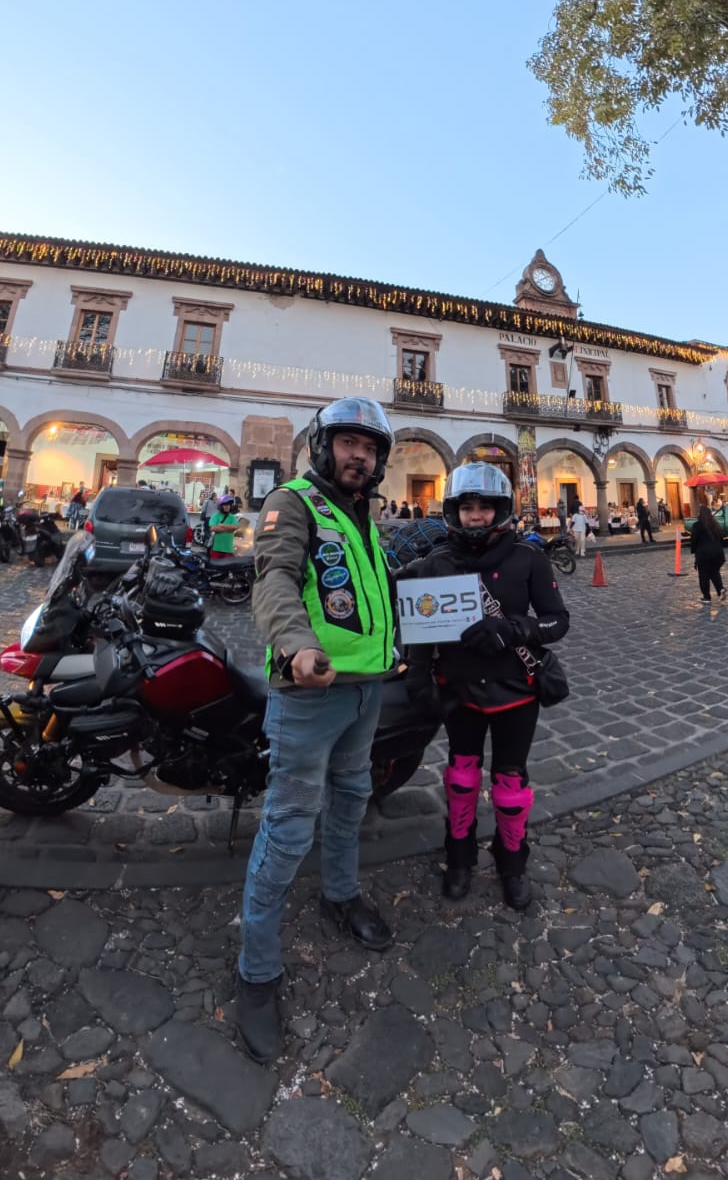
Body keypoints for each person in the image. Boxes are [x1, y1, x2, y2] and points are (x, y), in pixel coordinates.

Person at [237, 397, 396, 1062]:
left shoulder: (363, 515)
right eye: (347, 442)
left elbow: (372, 591)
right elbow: (273, 577)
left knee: (352, 797)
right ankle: (256, 970)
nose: (358, 454)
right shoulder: (292, 500)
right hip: (312, 690)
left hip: (367, 691)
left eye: (369, 445)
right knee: (288, 823)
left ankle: (340, 894)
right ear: (320, 444)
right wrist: (298, 646)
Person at [403, 463, 569, 912]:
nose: (475, 517)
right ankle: (459, 855)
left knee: (510, 782)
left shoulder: (528, 558)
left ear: (502, 511)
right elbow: (421, 630)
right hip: (459, 693)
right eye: (467, 508)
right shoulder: (437, 563)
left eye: (485, 508)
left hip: (516, 690)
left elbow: (557, 621)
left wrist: (515, 629)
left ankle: (512, 859)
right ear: (454, 513)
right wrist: (418, 679)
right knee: (460, 777)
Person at [689, 506, 727, 603]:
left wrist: (693, 551)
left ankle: (706, 597)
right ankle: (720, 589)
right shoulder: (715, 525)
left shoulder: (697, 526)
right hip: (718, 554)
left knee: (704, 575)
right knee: (714, 572)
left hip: (704, 554)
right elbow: (722, 538)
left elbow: (694, 540)